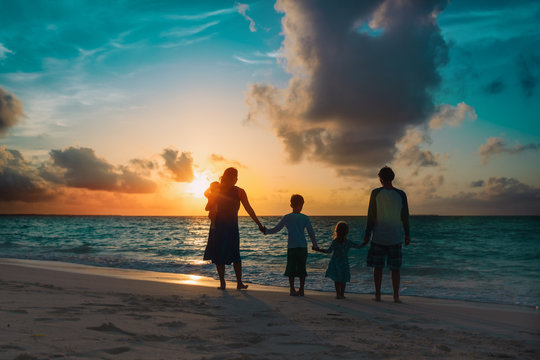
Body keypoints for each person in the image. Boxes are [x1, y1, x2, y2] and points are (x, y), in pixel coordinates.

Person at [203, 167, 265, 290]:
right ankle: (230, 283)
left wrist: (259, 224)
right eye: (234, 177)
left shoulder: (232, 191)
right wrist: (259, 224)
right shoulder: (230, 191)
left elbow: (248, 208)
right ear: (231, 178)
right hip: (224, 227)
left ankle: (231, 283)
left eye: (235, 178)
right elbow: (248, 208)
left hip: (225, 227)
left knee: (230, 255)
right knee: (227, 255)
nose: (235, 180)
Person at [362, 166, 410, 303]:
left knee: (378, 268)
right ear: (392, 178)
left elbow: (371, 216)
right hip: (396, 236)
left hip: (378, 236)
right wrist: (407, 234)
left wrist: (367, 234)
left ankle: (378, 295)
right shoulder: (401, 194)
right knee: (395, 269)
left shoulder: (375, 193)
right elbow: (405, 216)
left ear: (380, 178)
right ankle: (396, 296)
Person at [264, 194, 318, 296]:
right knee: (302, 269)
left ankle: (292, 289)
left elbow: (276, 229)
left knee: (291, 269)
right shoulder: (305, 218)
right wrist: (315, 245)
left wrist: (266, 231)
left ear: (291, 205)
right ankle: (301, 290)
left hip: (292, 247)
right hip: (302, 247)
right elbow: (311, 232)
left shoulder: (287, 217)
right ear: (302, 205)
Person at [316, 221, 363, 299]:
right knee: (343, 279)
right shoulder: (348, 242)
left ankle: (338, 294)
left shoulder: (335, 242)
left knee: (337, 279)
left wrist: (318, 249)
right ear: (346, 232)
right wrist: (365, 242)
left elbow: (328, 251)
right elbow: (358, 246)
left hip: (335, 262)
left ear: (337, 231)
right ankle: (342, 294)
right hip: (344, 262)